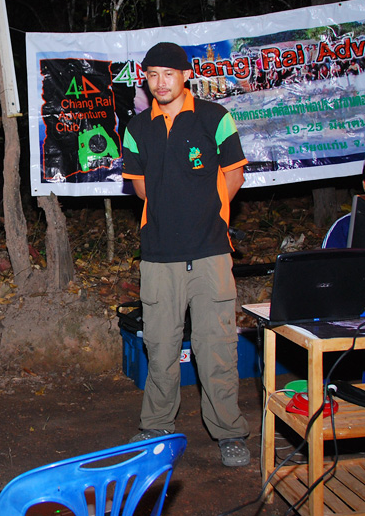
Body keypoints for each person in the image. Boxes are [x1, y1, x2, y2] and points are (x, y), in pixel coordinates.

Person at [121, 42, 251, 467]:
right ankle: (157, 425)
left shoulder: (215, 117)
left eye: (169, 74)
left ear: (186, 76)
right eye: (152, 75)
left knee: (217, 348)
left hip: (210, 252)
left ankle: (229, 432)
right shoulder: (137, 127)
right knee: (160, 347)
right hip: (159, 255)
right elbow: (140, 187)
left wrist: (207, 214)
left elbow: (234, 176)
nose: (160, 83)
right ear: (145, 79)